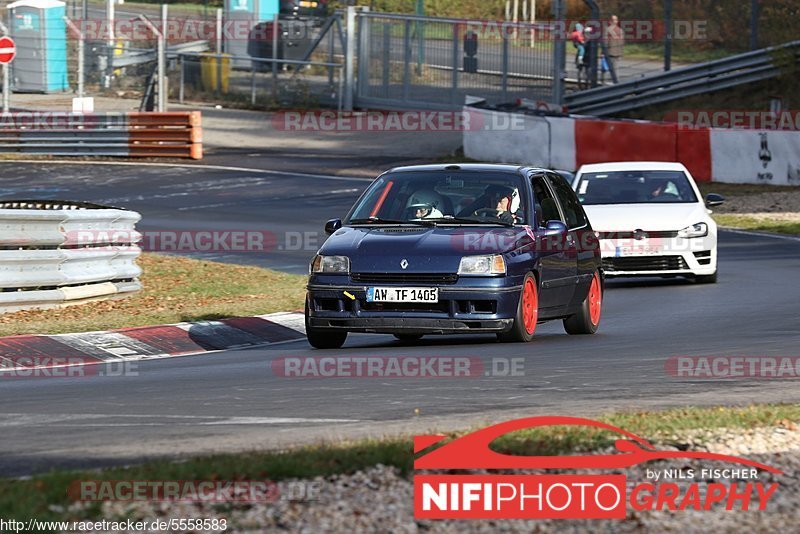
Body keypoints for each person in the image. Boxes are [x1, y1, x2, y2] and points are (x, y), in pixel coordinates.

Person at [604, 15, 624, 84]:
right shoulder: (620, 30)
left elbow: (605, 42)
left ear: (610, 21)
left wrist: (603, 52)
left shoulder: (608, 29)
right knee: (616, 69)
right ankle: (616, 83)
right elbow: (622, 42)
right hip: (618, 52)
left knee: (607, 69)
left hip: (610, 52)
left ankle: (610, 83)